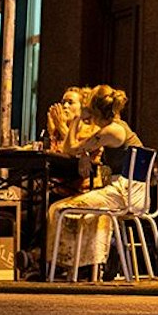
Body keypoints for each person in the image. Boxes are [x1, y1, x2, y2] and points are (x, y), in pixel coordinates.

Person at [45, 85, 146, 275]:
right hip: (128, 191)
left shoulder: (111, 131)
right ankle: (78, 267)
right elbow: (82, 148)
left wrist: (74, 121)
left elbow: (69, 149)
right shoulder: (116, 128)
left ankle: (63, 267)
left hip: (124, 194)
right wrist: (84, 153)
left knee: (59, 209)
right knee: (63, 206)